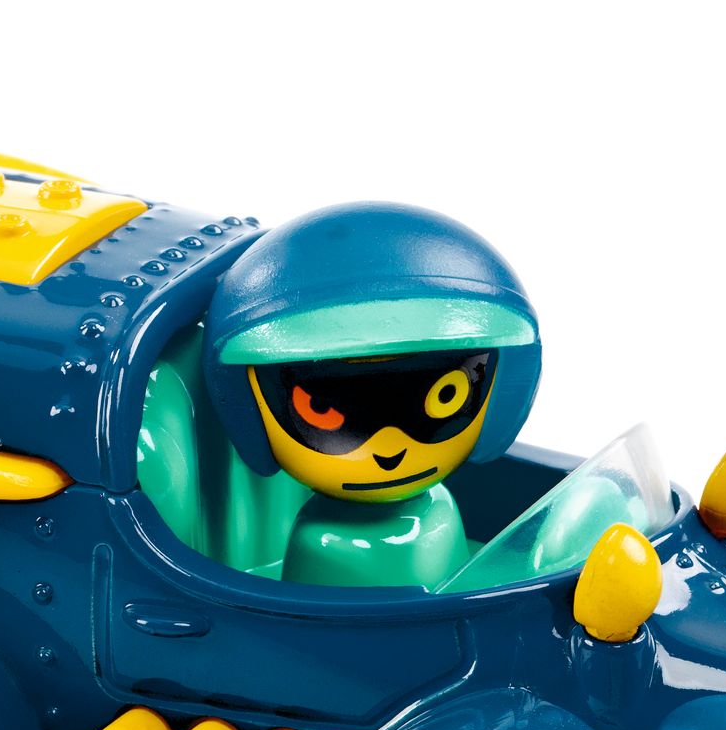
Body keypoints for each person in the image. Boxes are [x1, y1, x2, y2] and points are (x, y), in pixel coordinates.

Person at [203, 203, 542, 588]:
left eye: (447, 395)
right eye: (322, 408)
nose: (390, 449)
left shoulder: (439, 514)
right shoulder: (323, 541)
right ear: (246, 411)